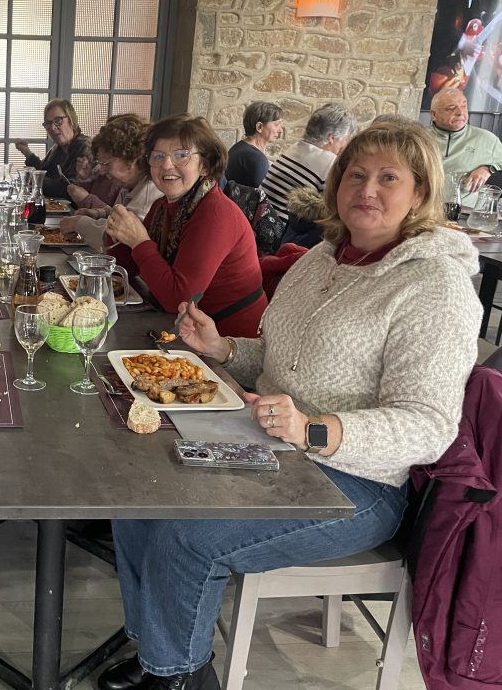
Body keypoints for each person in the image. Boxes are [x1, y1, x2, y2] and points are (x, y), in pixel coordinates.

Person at [95, 121, 481, 690]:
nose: (366, 190)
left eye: (388, 178)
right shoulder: (324, 258)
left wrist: (313, 429)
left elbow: (429, 426)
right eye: (355, 175)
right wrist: (224, 348)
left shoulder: (436, 286)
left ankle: (178, 676)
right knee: (137, 493)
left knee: (187, 535)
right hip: (270, 444)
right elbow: (282, 357)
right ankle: (157, 647)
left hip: (357, 484)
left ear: (420, 192)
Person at [105, 115, 267, 338]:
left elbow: (178, 300)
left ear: (205, 165)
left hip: (228, 341)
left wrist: (139, 241)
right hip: (181, 328)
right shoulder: (162, 206)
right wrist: (117, 231)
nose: (166, 165)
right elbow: (125, 271)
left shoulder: (216, 213)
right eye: (158, 156)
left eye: (182, 155)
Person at [60, 113, 163, 250]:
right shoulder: (130, 185)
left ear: (131, 158)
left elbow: (119, 240)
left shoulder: (149, 192)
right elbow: (118, 218)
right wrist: (99, 214)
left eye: (106, 163)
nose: (102, 171)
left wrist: (78, 223)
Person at [261, 103, 358, 222]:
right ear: (331, 138)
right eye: (346, 139)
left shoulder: (296, 147)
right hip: (282, 229)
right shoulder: (329, 162)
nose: (346, 145)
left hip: (262, 220)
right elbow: (335, 210)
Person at [428, 88, 502, 205]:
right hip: (423, 208)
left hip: (465, 210)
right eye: (451, 108)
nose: (460, 112)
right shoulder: (418, 137)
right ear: (433, 115)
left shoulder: (487, 140)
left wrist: (488, 168)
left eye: (464, 106)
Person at [15, 98, 90, 198]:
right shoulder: (58, 148)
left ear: (71, 120)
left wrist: (32, 177)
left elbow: (68, 189)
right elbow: (44, 171)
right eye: (48, 123)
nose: (52, 128)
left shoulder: (85, 147)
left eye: (58, 121)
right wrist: (27, 153)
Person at [224, 102, 283, 188]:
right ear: (259, 127)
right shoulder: (256, 158)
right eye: (277, 124)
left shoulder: (240, 147)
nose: (280, 130)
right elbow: (263, 194)